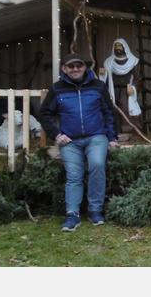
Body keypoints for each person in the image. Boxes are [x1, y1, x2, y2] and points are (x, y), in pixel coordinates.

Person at [39, 53, 118, 232]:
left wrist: (112, 137)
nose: (75, 69)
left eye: (79, 66)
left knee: (97, 165)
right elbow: (44, 113)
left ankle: (95, 210)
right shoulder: (57, 89)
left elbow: (109, 112)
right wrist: (56, 134)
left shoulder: (98, 86)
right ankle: (72, 214)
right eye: (71, 66)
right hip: (70, 141)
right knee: (74, 175)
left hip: (96, 136)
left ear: (85, 67)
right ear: (64, 69)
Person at [99, 37, 142, 143]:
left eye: (120, 46)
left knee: (126, 109)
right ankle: (115, 132)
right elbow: (105, 78)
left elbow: (138, 78)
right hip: (113, 90)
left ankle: (130, 132)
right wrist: (102, 74)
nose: (118, 49)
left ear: (125, 48)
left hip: (126, 91)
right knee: (113, 109)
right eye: (116, 47)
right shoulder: (108, 62)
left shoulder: (134, 61)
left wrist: (134, 88)